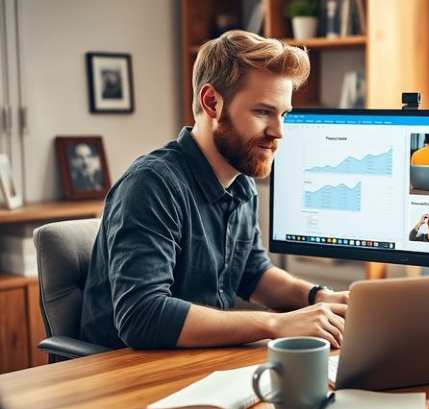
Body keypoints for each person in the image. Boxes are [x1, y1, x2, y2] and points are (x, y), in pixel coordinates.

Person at [80, 30, 349, 351]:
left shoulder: (240, 181)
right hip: (125, 375)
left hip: (196, 363)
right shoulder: (151, 184)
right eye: (263, 112)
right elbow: (142, 316)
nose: (279, 132)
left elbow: (252, 273)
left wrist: (320, 297)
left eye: (284, 115)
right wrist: (276, 324)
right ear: (212, 103)